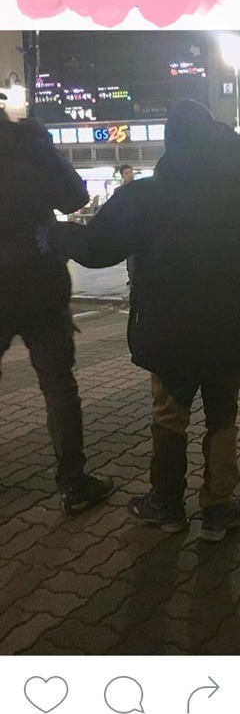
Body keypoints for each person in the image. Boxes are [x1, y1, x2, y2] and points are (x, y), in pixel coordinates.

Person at [40, 101, 240, 541]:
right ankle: (219, 506)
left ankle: (166, 504)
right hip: (233, 329)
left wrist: (55, 234)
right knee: (224, 416)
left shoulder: (148, 194)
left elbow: (99, 246)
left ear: (170, 142)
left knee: (169, 416)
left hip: (168, 330)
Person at [0, 109, 114, 514]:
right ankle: (73, 484)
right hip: (39, 280)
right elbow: (75, 196)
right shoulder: (30, 145)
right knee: (58, 385)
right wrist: (43, 147)